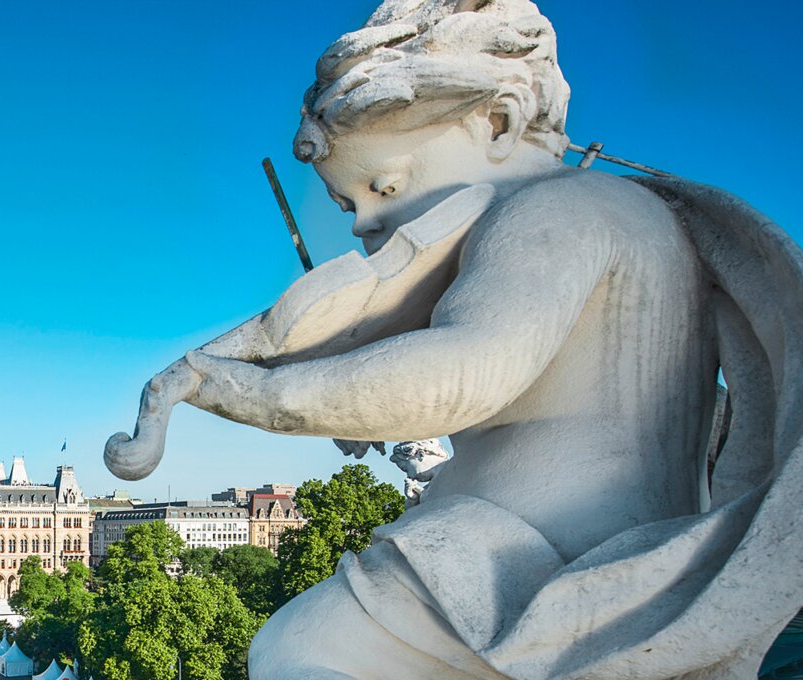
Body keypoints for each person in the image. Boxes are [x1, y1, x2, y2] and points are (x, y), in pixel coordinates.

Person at [126, 1, 803, 677]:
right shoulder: (645, 221)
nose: (366, 223)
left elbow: (465, 371)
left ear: (499, 121)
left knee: (307, 646)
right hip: (625, 575)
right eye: (348, 205)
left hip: (517, 576)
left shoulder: (552, 208)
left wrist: (262, 391)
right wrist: (359, 383)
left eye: (384, 184)